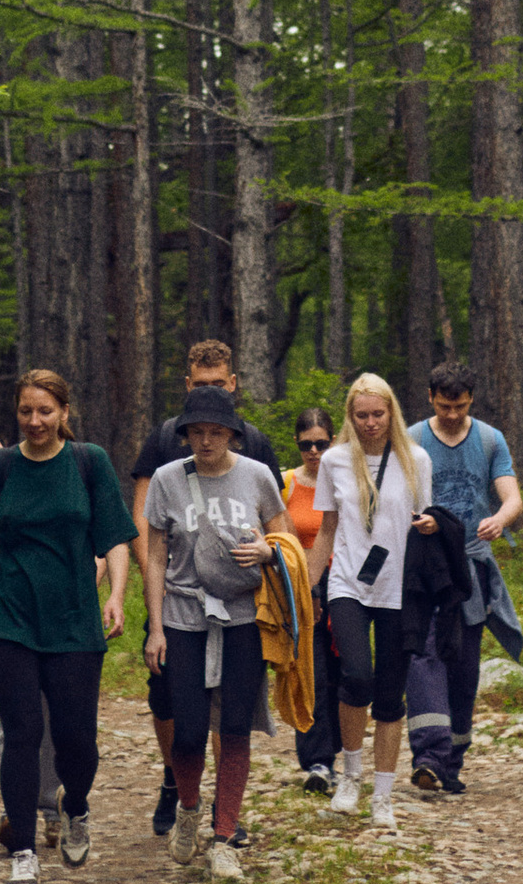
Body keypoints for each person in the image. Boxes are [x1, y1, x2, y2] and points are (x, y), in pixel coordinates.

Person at [0, 366, 132, 884]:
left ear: (64, 413)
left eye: (46, 411)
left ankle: (77, 807)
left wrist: (114, 596)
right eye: (26, 411)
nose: (36, 421)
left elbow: (115, 538)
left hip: (71, 615)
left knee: (76, 741)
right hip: (6, 615)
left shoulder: (89, 463)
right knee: (21, 732)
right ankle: (22, 853)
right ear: (16, 414)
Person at [130, 342, 278, 840]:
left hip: (243, 615)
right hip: (183, 613)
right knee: (189, 728)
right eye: (197, 432)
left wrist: (268, 552)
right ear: (185, 432)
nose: (206, 440)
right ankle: (189, 806)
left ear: (233, 433)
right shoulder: (168, 479)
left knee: (235, 726)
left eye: (216, 432)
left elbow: (286, 537)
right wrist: (154, 627)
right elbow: (153, 552)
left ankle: (224, 833)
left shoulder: (257, 475)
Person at [304, 373, 433, 837]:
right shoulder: (336, 460)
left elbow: (425, 521)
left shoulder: (415, 458)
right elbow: (326, 530)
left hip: (400, 586)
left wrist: (434, 533)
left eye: (379, 414)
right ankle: (351, 776)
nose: (371, 423)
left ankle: (383, 795)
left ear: (392, 413)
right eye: (362, 415)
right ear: (350, 417)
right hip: (348, 584)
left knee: (390, 692)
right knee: (355, 674)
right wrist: (307, 586)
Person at [410, 356, 523, 799]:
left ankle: (452, 760)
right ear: (431, 399)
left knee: (463, 665)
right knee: (423, 654)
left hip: (471, 565)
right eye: (444, 407)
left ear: (471, 400)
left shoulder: (491, 440)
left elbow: (512, 496)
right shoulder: (415, 439)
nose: (452, 416)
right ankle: (428, 757)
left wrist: (500, 519)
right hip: (423, 565)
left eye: (459, 407)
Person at [284, 406, 342, 792]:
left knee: (346, 674)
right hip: (303, 589)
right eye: (307, 444)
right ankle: (317, 759)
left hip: (346, 586)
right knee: (311, 673)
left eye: (321, 443)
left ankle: (341, 749)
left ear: (333, 441)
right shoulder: (286, 483)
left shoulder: (345, 482)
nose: (314, 452)